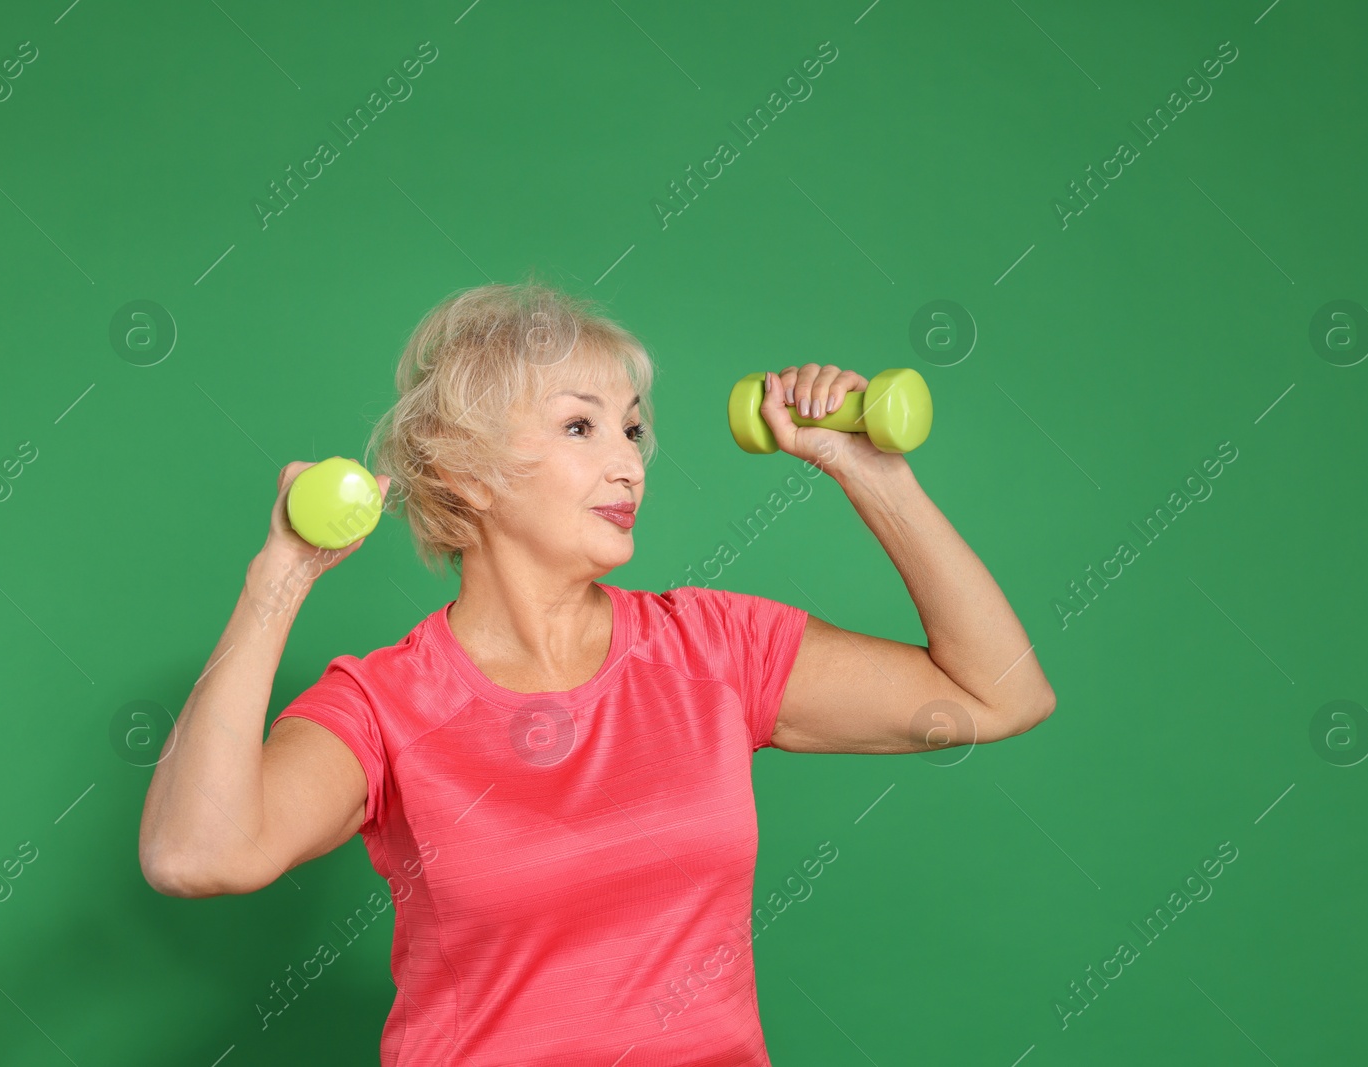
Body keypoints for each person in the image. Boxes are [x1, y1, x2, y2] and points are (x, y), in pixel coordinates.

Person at [137, 280, 1056, 1065]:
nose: (628, 463)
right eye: (581, 426)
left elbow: (1001, 692)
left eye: (632, 429)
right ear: (466, 472)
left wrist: (873, 474)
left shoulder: (713, 647)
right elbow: (197, 853)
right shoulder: (387, 706)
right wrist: (280, 579)